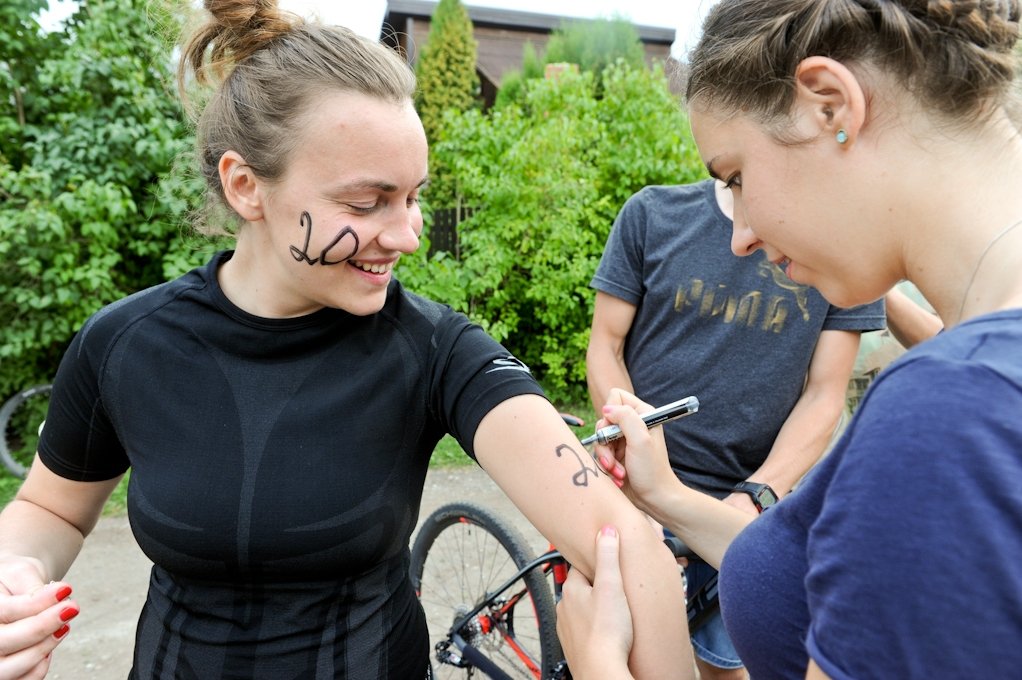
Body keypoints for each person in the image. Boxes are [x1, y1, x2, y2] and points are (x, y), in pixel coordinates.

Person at [0, 2, 692, 678]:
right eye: (367, 204)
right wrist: (15, 579)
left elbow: (628, 549)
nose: (408, 234)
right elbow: (49, 509)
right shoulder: (125, 344)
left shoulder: (436, 350)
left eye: (415, 195)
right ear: (245, 186)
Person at [559, 0, 1022, 678]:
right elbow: (815, 563)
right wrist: (665, 496)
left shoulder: (950, 412)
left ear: (830, 105)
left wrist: (604, 668)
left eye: (738, 177)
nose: (740, 233)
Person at [586, 177, 884, 679]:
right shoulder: (653, 214)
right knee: (620, 657)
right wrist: (633, 474)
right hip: (634, 495)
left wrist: (755, 496)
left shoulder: (845, 243)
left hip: (747, 509)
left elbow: (824, 394)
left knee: (728, 671)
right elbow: (605, 347)